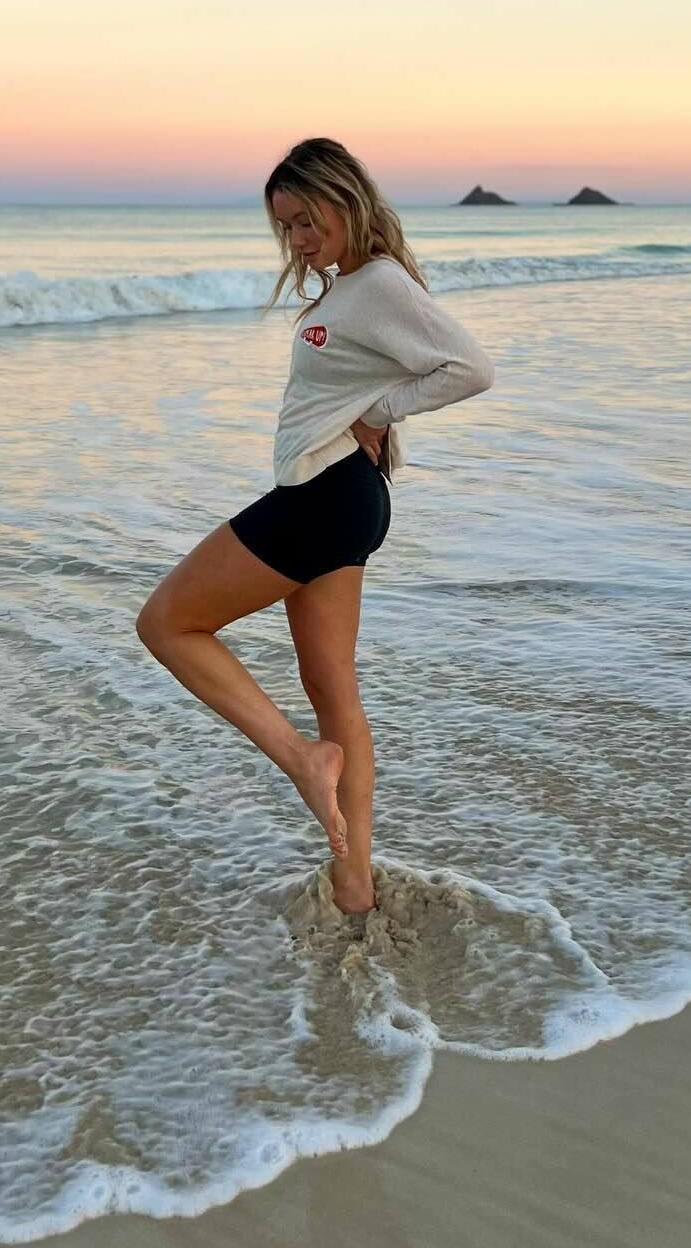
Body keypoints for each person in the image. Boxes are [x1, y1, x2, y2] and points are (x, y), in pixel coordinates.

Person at [136, 138, 496, 915]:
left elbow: (471, 367)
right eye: (286, 226)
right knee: (333, 689)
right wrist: (371, 409)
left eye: (307, 219)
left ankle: (303, 760)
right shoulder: (351, 288)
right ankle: (354, 883)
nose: (298, 239)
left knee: (166, 623)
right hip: (341, 497)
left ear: (346, 200)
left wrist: (380, 411)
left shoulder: (377, 284)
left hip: (326, 496)